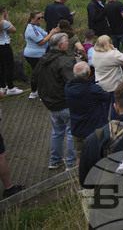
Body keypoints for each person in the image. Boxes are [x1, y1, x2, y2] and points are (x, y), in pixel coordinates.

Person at [36, 33, 77, 169]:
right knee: (72, 132)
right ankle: (71, 163)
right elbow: (72, 82)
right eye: (66, 42)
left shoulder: (43, 59)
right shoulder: (65, 61)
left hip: (51, 103)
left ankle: (55, 160)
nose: (68, 44)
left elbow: (34, 78)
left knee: (56, 131)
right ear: (61, 45)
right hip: (64, 102)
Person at [65, 62, 112, 156]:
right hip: (94, 130)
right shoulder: (93, 90)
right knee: (100, 155)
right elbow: (106, 96)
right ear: (88, 73)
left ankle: (77, 170)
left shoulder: (68, 87)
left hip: (77, 128)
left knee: (80, 156)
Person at [24, 11, 57, 99]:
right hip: (35, 55)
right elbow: (41, 42)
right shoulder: (32, 28)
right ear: (32, 19)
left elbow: (44, 36)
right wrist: (51, 34)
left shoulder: (35, 27)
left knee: (37, 74)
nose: (41, 19)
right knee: (41, 74)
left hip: (36, 54)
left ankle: (34, 92)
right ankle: (40, 94)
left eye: (42, 17)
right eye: (38, 18)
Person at [0, 7, 22, 95]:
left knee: (1, 66)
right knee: (9, 66)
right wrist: (8, 20)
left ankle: (2, 86)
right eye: (5, 11)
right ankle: (11, 88)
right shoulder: (4, 22)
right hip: (4, 46)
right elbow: (14, 30)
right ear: (3, 12)